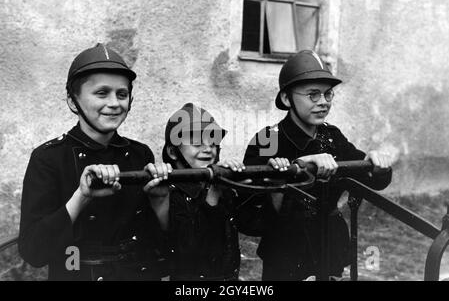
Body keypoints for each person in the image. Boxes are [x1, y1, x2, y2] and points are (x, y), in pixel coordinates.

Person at [19, 43, 169, 281]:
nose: (115, 103)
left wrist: (161, 201)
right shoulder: (48, 158)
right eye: (102, 93)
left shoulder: (141, 155)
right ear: (72, 100)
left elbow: (158, 240)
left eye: (122, 94)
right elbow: (34, 251)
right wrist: (81, 196)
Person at [243, 50, 393, 280]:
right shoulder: (267, 141)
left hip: (329, 248)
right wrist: (298, 167)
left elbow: (368, 178)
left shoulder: (332, 137)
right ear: (286, 98)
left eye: (328, 94)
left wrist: (377, 166)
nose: (323, 102)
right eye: (313, 95)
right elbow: (247, 211)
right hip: (286, 255)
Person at [148, 102, 270, 281]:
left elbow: (255, 226)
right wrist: (214, 192)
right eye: (197, 143)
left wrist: (269, 186)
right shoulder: (168, 192)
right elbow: (188, 252)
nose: (208, 149)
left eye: (213, 143)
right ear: (173, 152)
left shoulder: (224, 189)